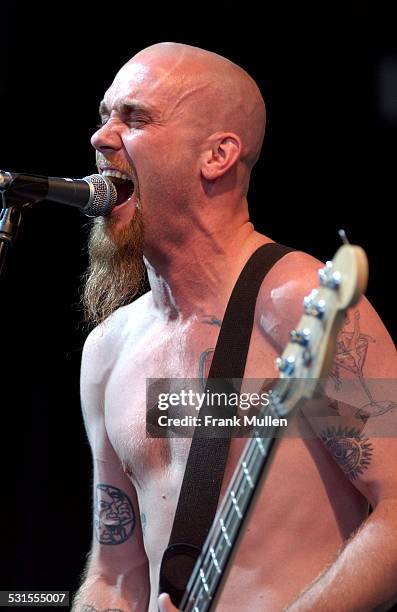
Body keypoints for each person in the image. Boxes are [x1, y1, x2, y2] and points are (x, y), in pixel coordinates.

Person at [72, 42, 397, 611]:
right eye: (104, 117)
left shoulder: (300, 305)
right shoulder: (108, 350)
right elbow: (115, 571)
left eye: (135, 117)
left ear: (218, 155)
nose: (102, 138)